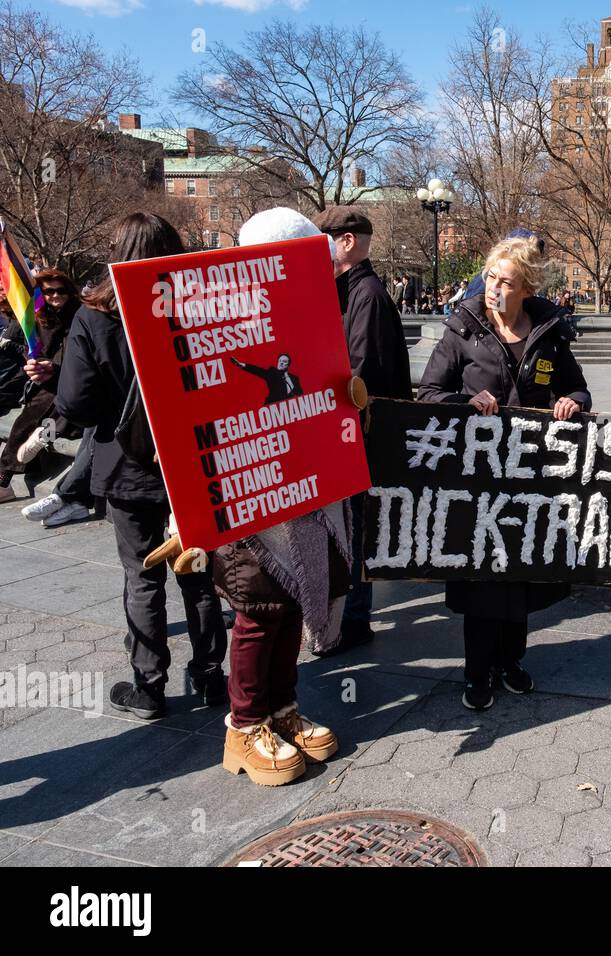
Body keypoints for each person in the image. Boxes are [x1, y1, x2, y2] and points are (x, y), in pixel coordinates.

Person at [54, 212, 228, 720]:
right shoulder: (196, 308)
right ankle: (210, 676)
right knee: (196, 571)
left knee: (141, 576)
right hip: (192, 462)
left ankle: (148, 687)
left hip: (127, 470)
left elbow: (76, 405)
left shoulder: (93, 317)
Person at [417, 235, 591, 711]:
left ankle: (511, 661)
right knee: (482, 579)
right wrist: (464, 402)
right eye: (491, 277)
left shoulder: (550, 331)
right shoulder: (464, 328)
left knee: (521, 573)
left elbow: (578, 389)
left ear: (526, 287)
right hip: (478, 478)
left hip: (533, 476)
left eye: (506, 281)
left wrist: (571, 401)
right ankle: (477, 672)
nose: (495, 288)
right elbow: (429, 392)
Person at [216, 208, 353, 787]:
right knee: (256, 613)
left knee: (290, 605)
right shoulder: (228, 320)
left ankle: (280, 710)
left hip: (304, 489)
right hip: (250, 496)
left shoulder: (311, 316)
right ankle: (245, 727)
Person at [313, 206, 411, 655]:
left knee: (354, 529)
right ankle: (349, 616)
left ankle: (354, 621)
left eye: (324, 238)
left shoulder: (365, 293)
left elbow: (361, 371)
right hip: (354, 431)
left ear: (346, 241)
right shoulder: (352, 289)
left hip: (360, 433)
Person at [0, 268, 79, 504]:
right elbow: (19, 344)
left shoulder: (80, 314)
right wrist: (31, 361)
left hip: (76, 378)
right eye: (49, 292)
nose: (55, 296)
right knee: (28, 417)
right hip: (46, 381)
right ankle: (4, 480)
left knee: (66, 404)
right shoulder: (36, 316)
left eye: (61, 290)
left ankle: (47, 433)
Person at [228, 353, 303, 405]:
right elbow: (258, 371)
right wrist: (243, 365)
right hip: (273, 409)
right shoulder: (272, 373)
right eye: (279, 361)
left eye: (284, 361)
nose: (281, 363)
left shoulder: (294, 378)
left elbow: (301, 395)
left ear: (289, 364)